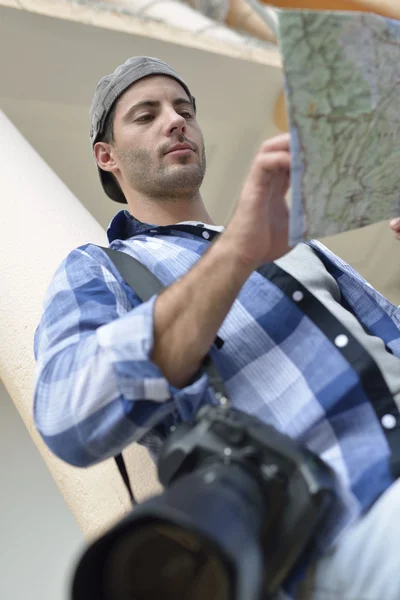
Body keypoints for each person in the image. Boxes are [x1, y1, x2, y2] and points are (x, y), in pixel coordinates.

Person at [34, 56, 400, 599]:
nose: (175, 121)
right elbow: (68, 414)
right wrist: (236, 253)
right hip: (347, 530)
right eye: (146, 115)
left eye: (184, 109)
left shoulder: (293, 242)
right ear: (105, 156)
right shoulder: (100, 269)